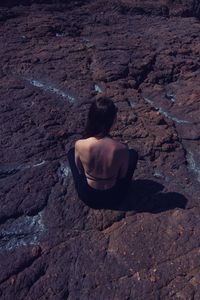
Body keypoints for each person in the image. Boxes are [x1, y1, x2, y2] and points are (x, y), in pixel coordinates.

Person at [67, 96, 138, 209]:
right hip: (114, 198)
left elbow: (80, 170)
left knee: (71, 153)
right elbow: (122, 176)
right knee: (133, 154)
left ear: (91, 117)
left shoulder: (80, 144)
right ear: (112, 120)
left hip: (88, 196)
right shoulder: (121, 148)